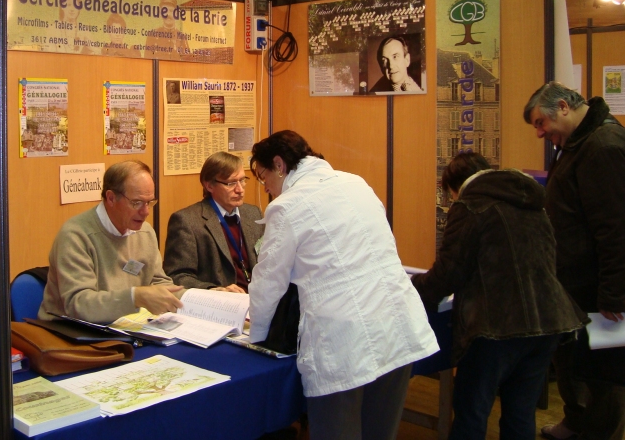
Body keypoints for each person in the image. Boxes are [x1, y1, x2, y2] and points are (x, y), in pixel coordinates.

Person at [247, 130, 438, 440]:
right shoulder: (356, 183)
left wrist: (256, 338)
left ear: (279, 165)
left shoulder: (288, 206)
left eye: (262, 175)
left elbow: (268, 283)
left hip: (343, 342)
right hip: (397, 324)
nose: (264, 185)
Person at [411, 152, 585, 440]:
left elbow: (448, 273)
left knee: (472, 412)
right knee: (520, 413)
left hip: (496, 328)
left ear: (455, 187)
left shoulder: (470, 206)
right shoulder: (532, 202)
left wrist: (413, 288)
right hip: (549, 321)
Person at [523, 82, 625, 440]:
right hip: (573, 283)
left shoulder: (603, 147)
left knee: (599, 372)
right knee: (575, 363)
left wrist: (614, 294)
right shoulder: (577, 143)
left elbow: (615, 229)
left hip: (595, 288)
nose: (540, 133)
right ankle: (578, 424)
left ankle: (596, 432)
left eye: (540, 123)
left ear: (563, 107)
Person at [38, 160, 183, 323]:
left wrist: (205, 298)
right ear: (111, 198)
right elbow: (79, 305)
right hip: (71, 332)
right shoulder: (76, 235)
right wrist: (135, 298)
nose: (146, 211)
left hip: (127, 326)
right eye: (136, 203)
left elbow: (159, 283)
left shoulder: (145, 232)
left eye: (149, 202)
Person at [163, 152, 263, 293]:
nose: (240, 189)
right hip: (221, 304)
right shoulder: (186, 221)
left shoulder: (253, 214)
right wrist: (214, 290)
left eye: (242, 180)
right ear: (209, 185)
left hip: (259, 299)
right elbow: (177, 276)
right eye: (231, 183)